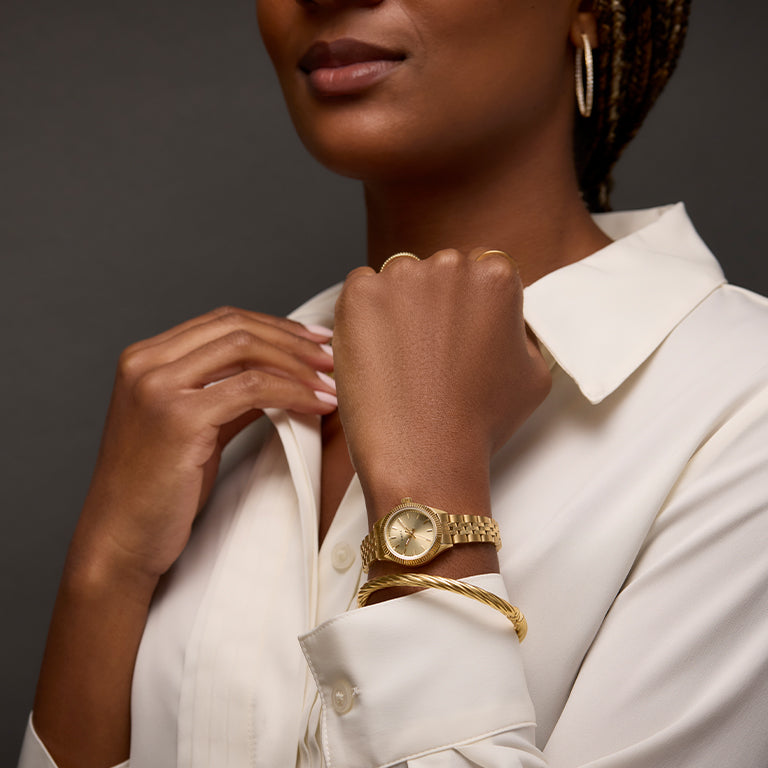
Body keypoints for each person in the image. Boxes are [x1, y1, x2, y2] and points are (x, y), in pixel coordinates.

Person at [18, 0, 768, 766]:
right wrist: (106, 569)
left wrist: (430, 505)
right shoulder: (221, 427)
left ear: (588, 10)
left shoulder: (744, 409)